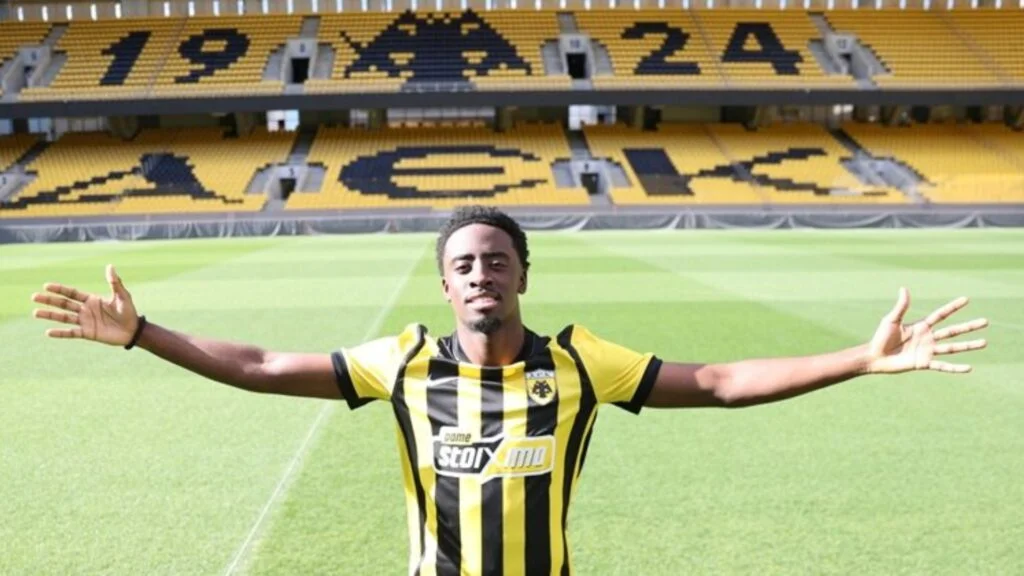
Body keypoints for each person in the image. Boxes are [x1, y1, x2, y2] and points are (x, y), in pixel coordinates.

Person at [30, 206, 989, 576]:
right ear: (445, 286)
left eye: (496, 259)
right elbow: (262, 366)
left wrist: (859, 358)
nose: (481, 273)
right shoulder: (403, 362)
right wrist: (144, 333)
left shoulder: (580, 362)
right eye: (463, 264)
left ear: (522, 273)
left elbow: (723, 381)